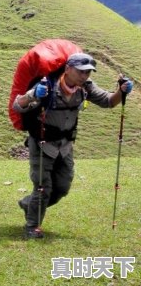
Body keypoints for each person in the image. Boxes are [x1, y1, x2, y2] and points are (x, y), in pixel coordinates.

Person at [12, 52, 133, 239]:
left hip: (65, 146)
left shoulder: (85, 88)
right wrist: (33, 95)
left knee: (62, 187)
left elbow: (109, 102)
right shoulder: (48, 85)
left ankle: (29, 204)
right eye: (81, 71)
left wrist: (122, 91)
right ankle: (32, 226)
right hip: (43, 144)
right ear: (68, 69)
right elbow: (17, 105)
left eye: (88, 72)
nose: (85, 76)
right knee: (43, 187)